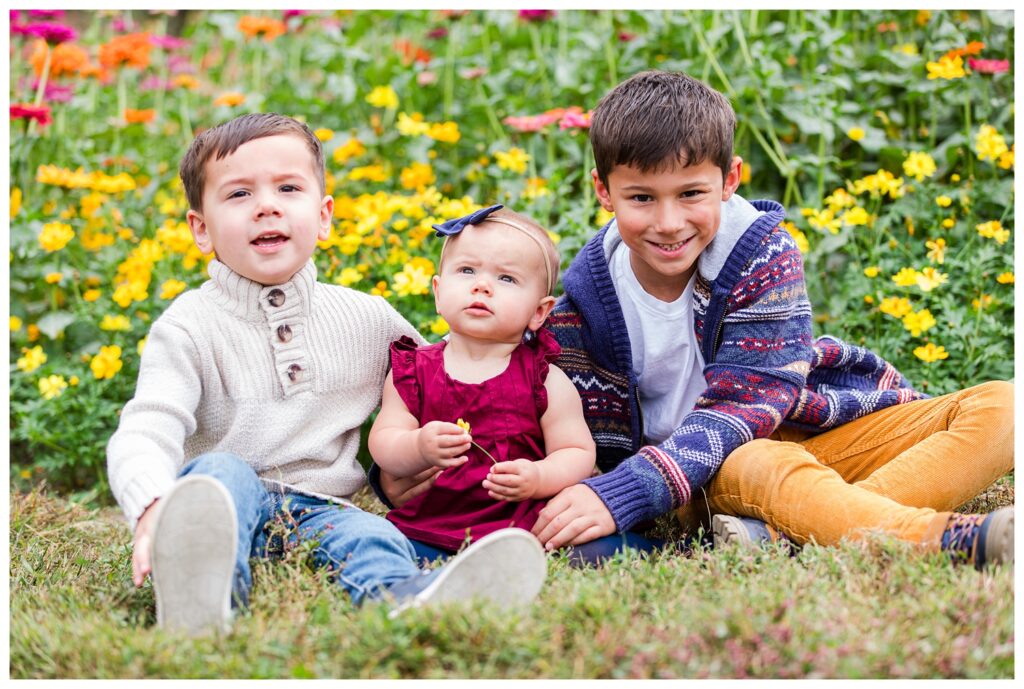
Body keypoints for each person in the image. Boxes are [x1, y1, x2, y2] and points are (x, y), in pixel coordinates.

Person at [378, 70, 1014, 570]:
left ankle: (793, 529)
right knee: (760, 466)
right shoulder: (579, 305)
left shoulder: (760, 255)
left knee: (1004, 406)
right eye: (641, 198)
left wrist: (621, 495)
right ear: (603, 191)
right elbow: (487, 371)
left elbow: (752, 403)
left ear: (729, 179)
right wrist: (403, 472)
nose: (669, 222)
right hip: (707, 477)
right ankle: (935, 540)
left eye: (691, 193)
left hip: (803, 434)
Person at [106, 113, 547, 636]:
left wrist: (399, 473)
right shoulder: (188, 326)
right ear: (201, 228)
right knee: (220, 475)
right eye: (239, 194)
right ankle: (203, 597)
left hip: (325, 508)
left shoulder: (368, 317)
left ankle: (408, 597)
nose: (267, 205)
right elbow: (146, 427)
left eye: (288, 188)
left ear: (323, 217)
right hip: (222, 503)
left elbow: (441, 385)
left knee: (374, 539)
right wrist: (153, 503)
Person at [370, 205, 651, 566]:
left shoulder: (545, 379)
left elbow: (577, 453)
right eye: (466, 270)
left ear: (539, 312)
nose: (482, 285)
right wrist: (418, 446)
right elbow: (383, 441)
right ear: (438, 293)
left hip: (522, 529)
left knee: (606, 551)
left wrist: (538, 477)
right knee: (378, 549)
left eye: (506, 279)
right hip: (430, 527)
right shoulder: (414, 371)